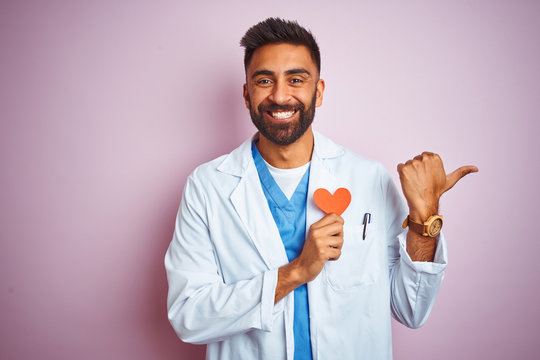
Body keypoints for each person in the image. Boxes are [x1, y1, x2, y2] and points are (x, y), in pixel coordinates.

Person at [165, 17, 477, 360]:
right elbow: (188, 316)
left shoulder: (368, 179)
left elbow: (411, 309)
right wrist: (297, 271)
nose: (280, 95)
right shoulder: (207, 187)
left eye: (296, 80)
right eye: (264, 80)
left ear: (319, 91)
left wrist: (424, 219)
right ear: (246, 94)